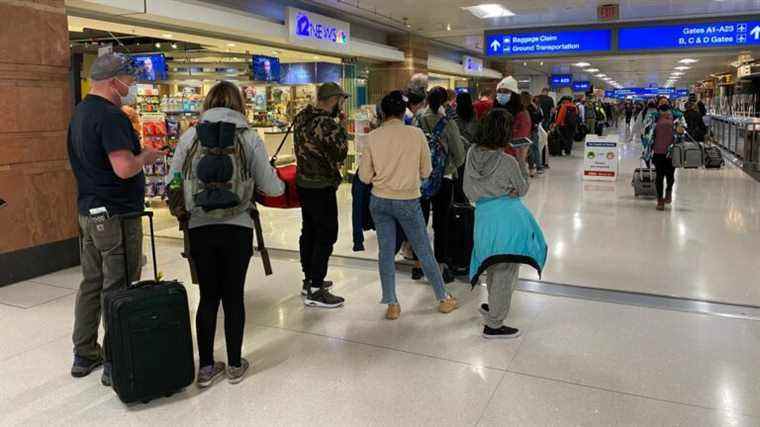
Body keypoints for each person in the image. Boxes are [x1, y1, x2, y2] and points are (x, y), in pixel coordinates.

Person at [169, 81, 284, 387]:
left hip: (199, 227)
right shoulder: (248, 137)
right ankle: (234, 365)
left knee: (208, 297)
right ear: (239, 104)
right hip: (238, 228)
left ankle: (206, 368)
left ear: (207, 103)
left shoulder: (190, 137)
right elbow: (272, 187)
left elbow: (173, 181)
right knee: (233, 296)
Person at [67, 53, 164, 384]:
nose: (131, 85)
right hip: (117, 215)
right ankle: (114, 359)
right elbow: (124, 168)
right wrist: (146, 156)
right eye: (128, 79)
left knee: (91, 283)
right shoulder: (111, 117)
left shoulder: (80, 113)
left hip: (89, 212)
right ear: (113, 81)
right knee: (118, 286)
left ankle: (84, 353)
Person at [359, 91, 458, 320]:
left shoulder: (373, 137)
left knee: (386, 252)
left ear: (383, 112)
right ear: (404, 111)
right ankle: (443, 298)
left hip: (380, 201)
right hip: (407, 200)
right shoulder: (416, 135)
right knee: (423, 249)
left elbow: (364, 176)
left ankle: (392, 304)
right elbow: (426, 171)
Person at [463, 109, 547, 339]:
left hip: (484, 217)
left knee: (492, 264)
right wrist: (521, 158)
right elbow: (522, 189)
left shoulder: (472, 153)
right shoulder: (508, 161)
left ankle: (494, 306)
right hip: (507, 220)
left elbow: (468, 190)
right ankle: (495, 325)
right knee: (506, 271)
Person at [294, 82, 350, 308]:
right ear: (334, 99)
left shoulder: (301, 117)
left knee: (309, 230)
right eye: (341, 100)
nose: (341, 105)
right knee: (326, 234)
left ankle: (309, 279)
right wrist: (341, 128)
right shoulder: (327, 123)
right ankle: (316, 289)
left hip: (303, 182)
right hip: (321, 184)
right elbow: (341, 152)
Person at [411, 86, 466, 283]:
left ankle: (418, 265)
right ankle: (441, 266)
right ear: (445, 102)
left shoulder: (417, 119)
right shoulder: (448, 122)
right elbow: (460, 155)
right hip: (444, 178)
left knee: (419, 222)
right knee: (441, 223)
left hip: (421, 178)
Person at [651, 105, 679, 211]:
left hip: (659, 153)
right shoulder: (675, 122)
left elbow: (648, 137)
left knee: (659, 176)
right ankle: (668, 193)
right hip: (671, 153)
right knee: (670, 175)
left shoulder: (655, 122)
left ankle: (660, 200)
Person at [522, 91, 544, 176]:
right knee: (535, 148)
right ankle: (538, 167)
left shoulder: (524, 107)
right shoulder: (536, 107)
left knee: (528, 150)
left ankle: (530, 167)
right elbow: (541, 118)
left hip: (526, 131)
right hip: (534, 130)